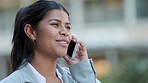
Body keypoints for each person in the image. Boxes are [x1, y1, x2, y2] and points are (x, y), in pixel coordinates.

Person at [0, 0, 101, 83]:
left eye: (68, 27)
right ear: (31, 31)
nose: (65, 32)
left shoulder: (78, 78)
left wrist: (82, 70)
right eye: (55, 24)